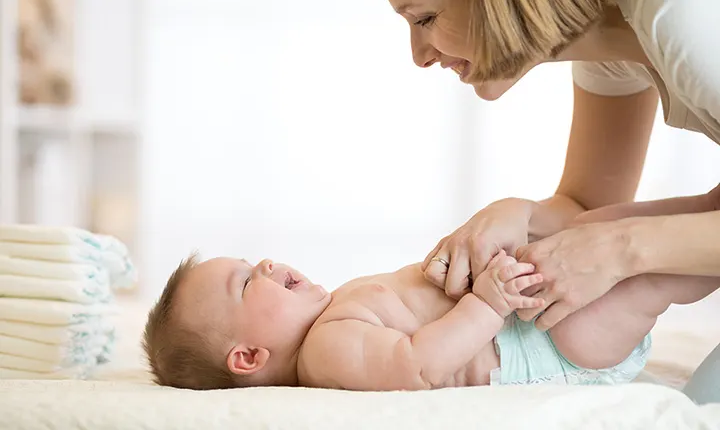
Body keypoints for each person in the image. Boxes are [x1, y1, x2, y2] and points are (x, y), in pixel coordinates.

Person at [387, 0, 720, 403]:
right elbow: (587, 204)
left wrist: (622, 249)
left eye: (425, 18)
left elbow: (604, 240)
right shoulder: (611, 51)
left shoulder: (688, 21)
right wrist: (519, 212)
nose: (418, 56)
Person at [141, 201, 718, 391]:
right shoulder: (326, 353)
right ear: (248, 357)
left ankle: (706, 209)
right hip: (549, 344)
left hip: (533, 312)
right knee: (652, 275)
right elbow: (418, 366)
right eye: (246, 281)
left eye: (251, 261)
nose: (265, 263)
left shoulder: (334, 315)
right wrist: (487, 303)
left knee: (605, 227)